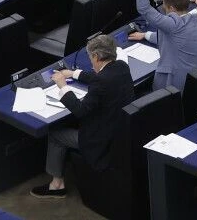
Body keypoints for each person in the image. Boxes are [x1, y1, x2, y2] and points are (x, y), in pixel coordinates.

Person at [32, 33, 135, 199]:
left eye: (90, 57)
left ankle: (56, 185)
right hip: (120, 131)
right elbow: (100, 78)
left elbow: (80, 110)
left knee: (55, 134)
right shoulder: (122, 67)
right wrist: (73, 74)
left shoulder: (100, 82)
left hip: (100, 141)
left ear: (96, 56)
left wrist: (63, 86)